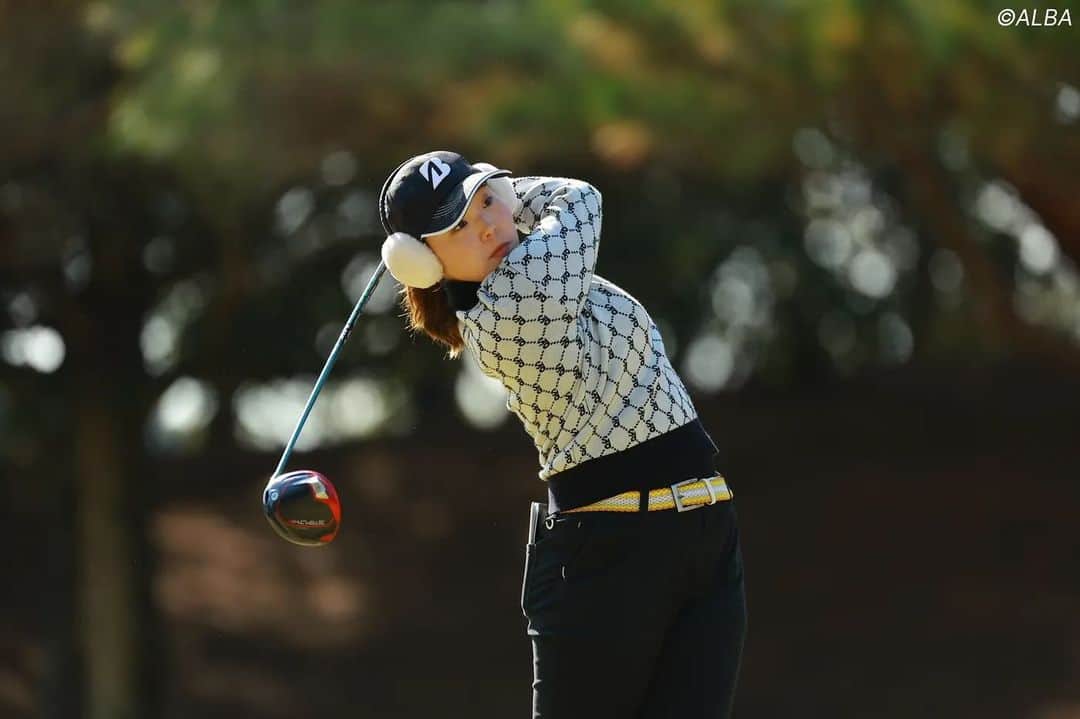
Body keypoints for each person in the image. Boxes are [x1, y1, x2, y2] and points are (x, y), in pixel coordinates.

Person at [377, 150, 746, 718]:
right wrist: (502, 194)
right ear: (424, 264)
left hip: (704, 532)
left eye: (487, 202)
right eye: (458, 227)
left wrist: (493, 193)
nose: (487, 225)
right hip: (609, 559)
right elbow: (579, 198)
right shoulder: (510, 307)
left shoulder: (552, 273)